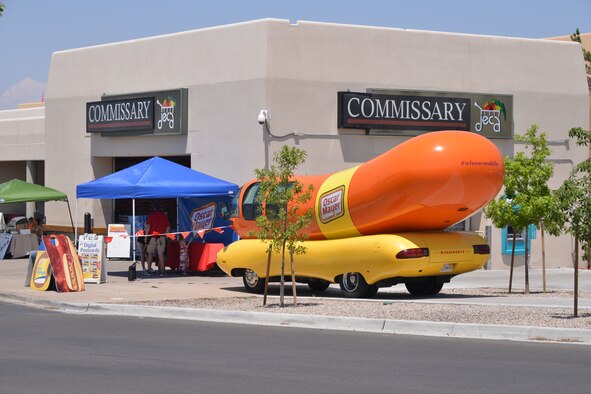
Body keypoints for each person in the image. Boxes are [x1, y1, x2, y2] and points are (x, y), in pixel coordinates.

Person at [145, 203, 171, 277]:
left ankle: (149, 270)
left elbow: (148, 227)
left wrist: (146, 237)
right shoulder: (164, 216)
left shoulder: (151, 215)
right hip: (161, 237)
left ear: (154, 208)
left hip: (152, 237)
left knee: (150, 254)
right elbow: (168, 227)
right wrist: (166, 236)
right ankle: (162, 271)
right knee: (161, 254)